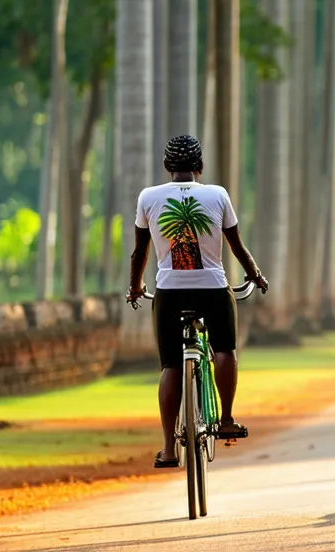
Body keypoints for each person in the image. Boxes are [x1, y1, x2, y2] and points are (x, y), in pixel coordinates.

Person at [126, 135, 268, 469]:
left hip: (169, 292)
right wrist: (256, 275)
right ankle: (228, 418)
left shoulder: (149, 197)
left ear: (167, 167)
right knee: (225, 350)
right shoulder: (217, 195)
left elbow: (139, 252)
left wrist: (134, 287)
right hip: (213, 290)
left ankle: (168, 448)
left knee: (171, 365)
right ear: (200, 167)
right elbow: (237, 247)